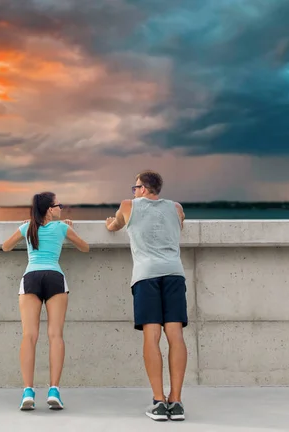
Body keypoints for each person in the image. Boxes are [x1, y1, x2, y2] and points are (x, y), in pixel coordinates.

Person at [105, 170, 187, 422]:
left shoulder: (128, 206)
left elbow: (115, 225)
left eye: (135, 187)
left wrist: (110, 223)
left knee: (152, 337)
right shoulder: (176, 207)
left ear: (142, 189)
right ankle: (176, 401)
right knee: (175, 335)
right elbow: (177, 227)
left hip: (146, 275)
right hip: (174, 273)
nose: (133, 191)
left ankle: (159, 401)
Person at [2, 192, 89, 411]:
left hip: (31, 277)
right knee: (55, 335)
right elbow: (84, 247)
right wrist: (70, 228)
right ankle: (54, 391)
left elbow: (5, 246)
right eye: (59, 205)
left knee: (29, 336)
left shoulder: (28, 228)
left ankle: (27, 392)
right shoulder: (61, 228)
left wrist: (25, 227)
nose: (61, 208)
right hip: (54, 277)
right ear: (50, 209)